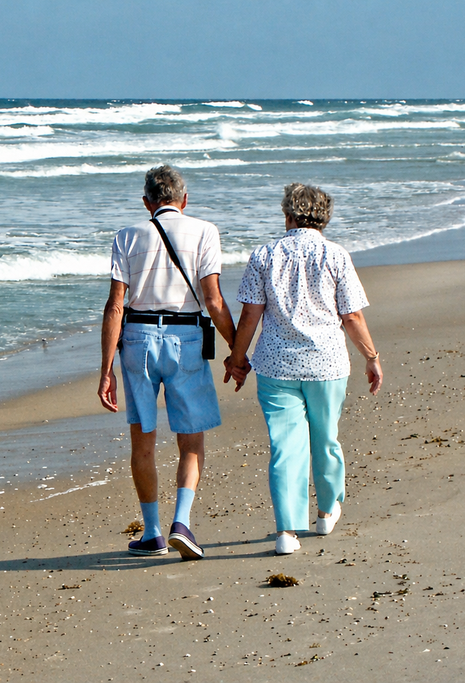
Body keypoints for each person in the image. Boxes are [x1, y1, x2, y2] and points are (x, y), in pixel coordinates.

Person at [225, 183, 383, 555]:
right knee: (326, 439)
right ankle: (326, 511)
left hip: (276, 365)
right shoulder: (336, 255)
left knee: (285, 448)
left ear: (288, 216)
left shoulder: (264, 254)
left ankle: (286, 532)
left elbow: (250, 316)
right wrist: (371, 357)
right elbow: (352, 316)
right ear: (324, 218)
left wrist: (237, 358)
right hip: (327, 364)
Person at [99, 165, 236, 559]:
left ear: (147, 203)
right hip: (186, 337)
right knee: (191, 439)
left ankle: (152, 532)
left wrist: (106, 370)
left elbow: (115, 306)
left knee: (143, 440)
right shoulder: (204, 231)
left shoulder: (127, 236)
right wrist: (237, 351)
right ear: (184, 200)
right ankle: (182, 523)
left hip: (138, 339)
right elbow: (213, 300)